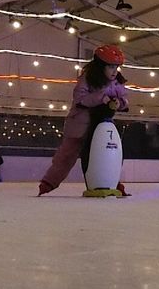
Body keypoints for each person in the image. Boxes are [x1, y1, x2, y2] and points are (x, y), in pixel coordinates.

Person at [38, 45, 130, 197]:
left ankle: (111, 181)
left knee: (108, 154)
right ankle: (49, 182)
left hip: (102, 126)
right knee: (66, 156)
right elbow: (80, 99)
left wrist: (120, 103)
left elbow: (125, 99)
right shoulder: (87, 79)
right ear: (100, 66)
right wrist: (102, 98)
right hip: (80, 125)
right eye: (111, 67)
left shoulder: (116, 82)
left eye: (117, 67)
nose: (115, 71)